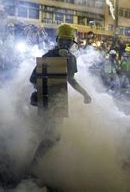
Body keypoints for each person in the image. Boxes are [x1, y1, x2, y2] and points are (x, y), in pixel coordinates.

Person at [29, 24, 92, 163]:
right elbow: (33, 79)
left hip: (57, 101)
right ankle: (34, 164)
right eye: (64, 41)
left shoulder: (70, 59)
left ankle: (41, 162)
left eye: (68, 41)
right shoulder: (48, 57)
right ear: (58, 41)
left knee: (51, 135)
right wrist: (42, 88)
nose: (66, 44)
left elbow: (70, 79)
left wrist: (85, 93)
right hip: (48, 100)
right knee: (53, 136)